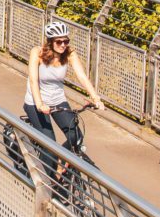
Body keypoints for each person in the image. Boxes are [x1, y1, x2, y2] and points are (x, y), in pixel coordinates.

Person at [24, 21, 105, 161]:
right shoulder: (37, 52)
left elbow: (82, 77)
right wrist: (39, 104)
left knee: (76, 137)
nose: (63, 45)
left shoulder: (69, 54)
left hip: (58, 101)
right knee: (49, 147)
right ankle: (43, 181)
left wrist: (96, 98)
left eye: (66, 41)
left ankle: (61, 165)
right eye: (59, 42)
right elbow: (33, 80)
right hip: (36, 103)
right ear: (50, 42)